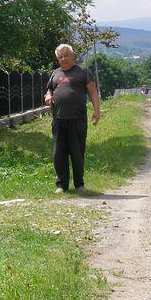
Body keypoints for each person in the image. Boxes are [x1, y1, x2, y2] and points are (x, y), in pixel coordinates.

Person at [44, 44, 101, 194]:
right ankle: (61, 185)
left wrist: (97, 111)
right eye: (60, 57)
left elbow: (93, 92)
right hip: (58, 120)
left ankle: (79, 184)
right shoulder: (55, 73)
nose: (64, 58)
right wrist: (49, 95)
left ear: (73, 55)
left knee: (77, 152)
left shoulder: (83, 72)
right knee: (59, 153)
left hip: (77, 119)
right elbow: (49, 89)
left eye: (66, 55)